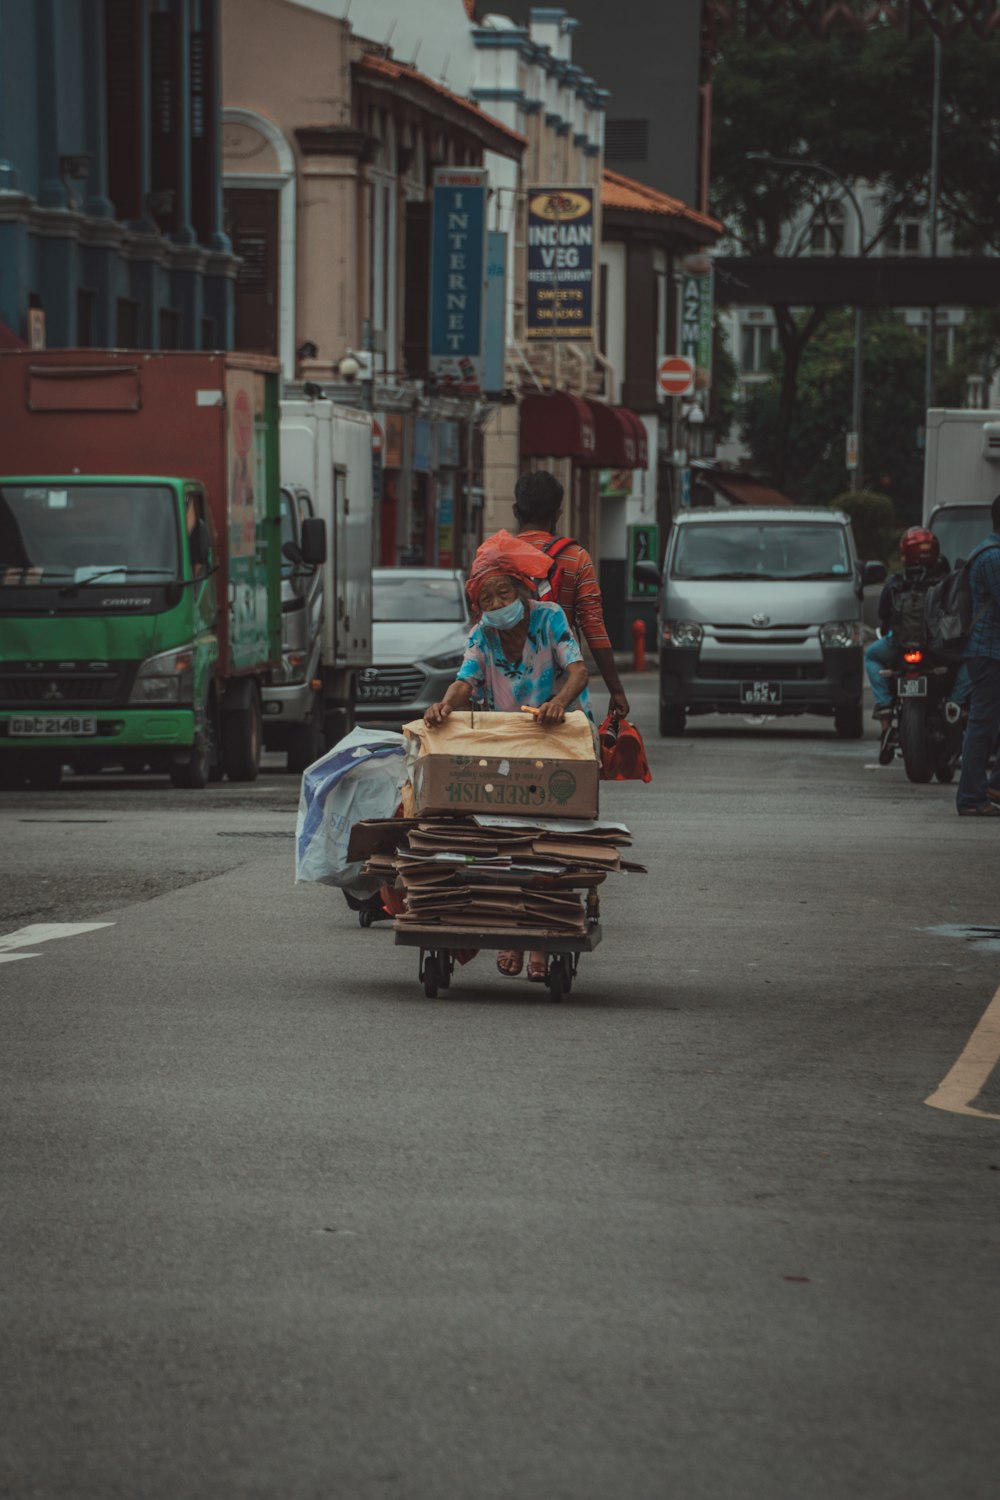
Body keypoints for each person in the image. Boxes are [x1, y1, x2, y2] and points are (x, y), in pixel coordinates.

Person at [424, 531, 590, 981]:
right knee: (507, 845)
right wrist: (444, 704)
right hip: (510, 746)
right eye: (487, 598)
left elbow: (577, 670)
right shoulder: (483, 635)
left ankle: (539, 946)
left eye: (504, 592)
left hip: (558, 743)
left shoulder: (550, 617)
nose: (497, 603)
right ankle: (514, 936)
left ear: (522, 589)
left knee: (548, 843)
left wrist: (558, 701)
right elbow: (465, 680)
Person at [512, 470, 630, 721]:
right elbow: (593, 627)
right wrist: (616, 690)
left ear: (516, 511)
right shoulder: (577, 558)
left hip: (506, 686)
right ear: (557, 514)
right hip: (562, 688)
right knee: (572, 755)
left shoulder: (498, 556)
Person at [865, 527, 968, 730]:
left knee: (871, 656)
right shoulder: (947, 581)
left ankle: (885, 706)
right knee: (971, 657)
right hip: (939, 646)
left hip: (900, 643)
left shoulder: (895, 581)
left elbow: (882, 613)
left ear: (904, 553)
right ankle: (955, 704)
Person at [955, 493, 1000, 817]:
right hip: (988, 653)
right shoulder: (993, 556)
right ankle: (971, 797)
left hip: (990, 651)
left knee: (987, 723)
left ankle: (993, 786)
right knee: (982, 725)